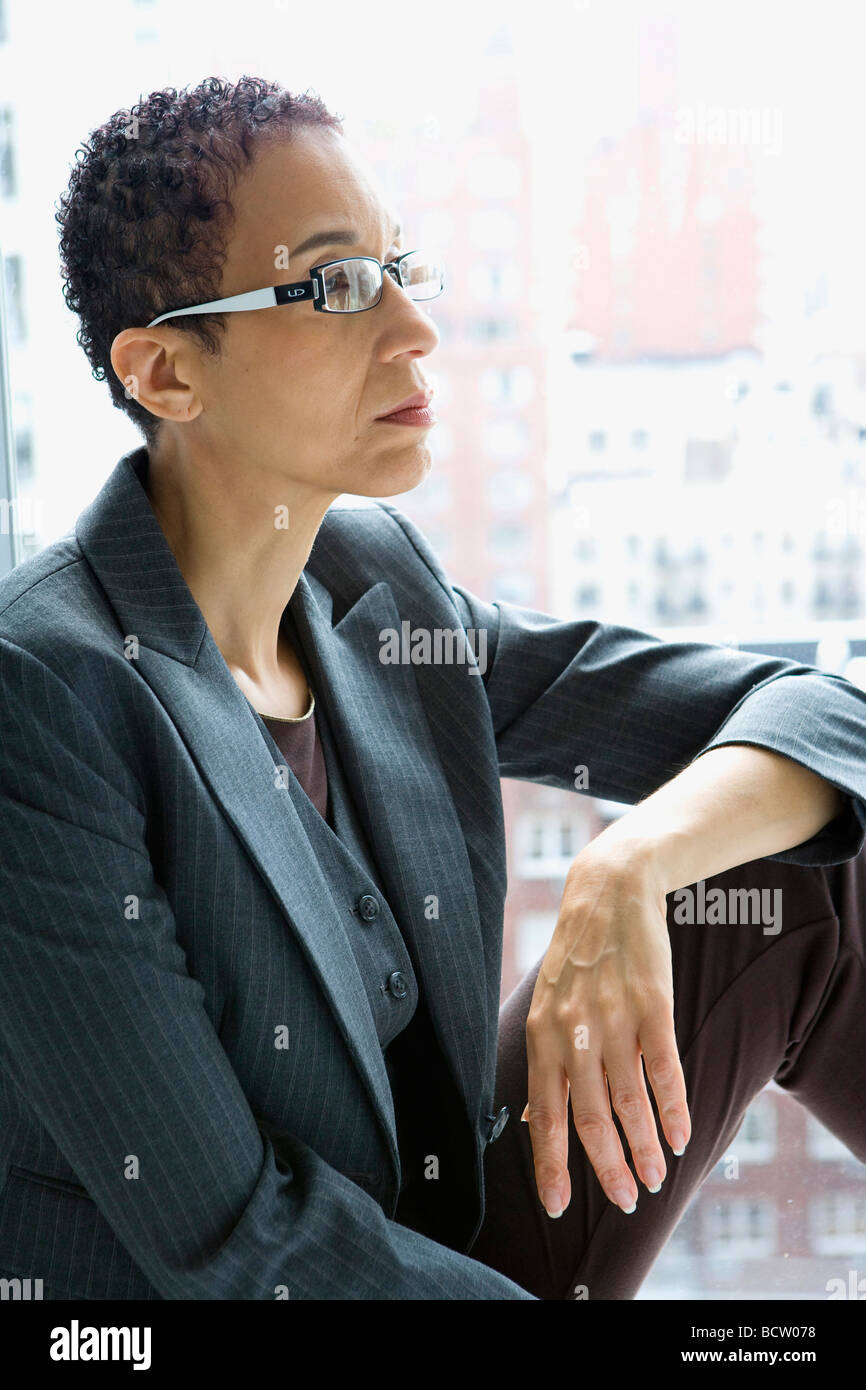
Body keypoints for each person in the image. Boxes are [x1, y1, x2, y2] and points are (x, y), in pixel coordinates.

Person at [0, 75, 864, 1301]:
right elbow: (236, 1246)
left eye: (403, 270)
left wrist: (627, 866)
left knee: (793, 871)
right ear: (168, 376)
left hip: (457, 1242)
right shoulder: (46, 694)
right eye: (338, 285)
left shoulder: (380, 591)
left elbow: (820, 713)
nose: (415, 328)